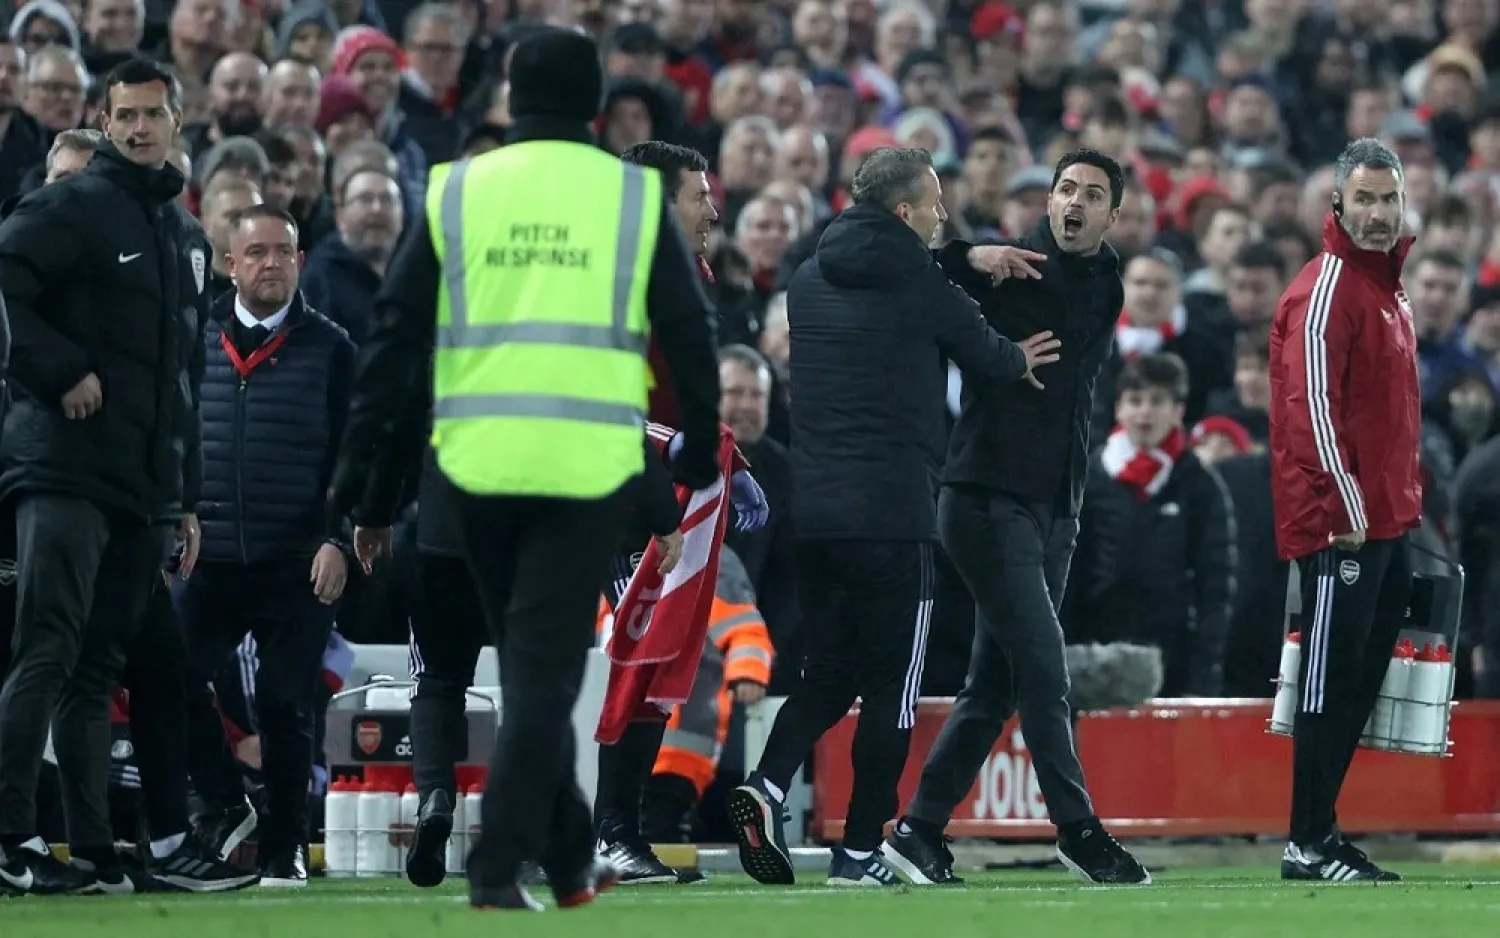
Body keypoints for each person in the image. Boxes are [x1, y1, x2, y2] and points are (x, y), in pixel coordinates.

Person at [331, 28, 723, 911]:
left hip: (471, 470)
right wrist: (695, 448)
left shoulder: (456, 189)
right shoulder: (629, 199)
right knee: (542, 675)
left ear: (510, 92)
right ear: (593, 101)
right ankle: (498, 864)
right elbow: (690, 332)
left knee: (527, 664)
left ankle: (572, 853)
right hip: (580, 470)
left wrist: (360, 480)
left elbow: (395, 342)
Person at [729, 146, 1060, 888]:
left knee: (826, 673)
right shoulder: (918, 281)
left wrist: (965, 258)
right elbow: (983, 350)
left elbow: (914, 278)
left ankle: (770, 781)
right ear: (906, 211)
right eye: (935, 205)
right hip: (896, 513)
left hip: (814, 515)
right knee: (892, 692)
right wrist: (1019, 358)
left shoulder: (808, 278)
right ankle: (856, 854)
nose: (944, 216)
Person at [883, 148, 1150, 887]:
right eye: (1066, 188)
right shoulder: (1010, 267)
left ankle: (918, 832)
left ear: (1111, 216)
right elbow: (920, 272)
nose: (1074, 203)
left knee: (994, 685)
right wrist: (972, 255)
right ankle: (1079, 830)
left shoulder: (1109, 286)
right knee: (1042, 665)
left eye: (1091, 195)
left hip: (1055, 507)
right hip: (985, 496)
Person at [0, 57, 208, 896]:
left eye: (151, 115)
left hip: (140, 484)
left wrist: (183, 493)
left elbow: (181, 376)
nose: (136, 129)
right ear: (106, 117)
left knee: (96, 665)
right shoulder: (74, 204)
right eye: (123, 115)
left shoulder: (181, 232)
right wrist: (56, 370)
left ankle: (89, 848)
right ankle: (11, 835)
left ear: (176, 121)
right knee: (45, 650)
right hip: (63, 466)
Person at [179, 204, 356, 888]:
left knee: (287, 702)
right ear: (230, 263)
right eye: (256, 252)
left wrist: (338, 539)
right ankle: (226, 806)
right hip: (211, 554)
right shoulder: (194, 339)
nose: (270, 263)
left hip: (298, 557)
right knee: (170, 676)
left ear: (301, 261)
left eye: (283, 251)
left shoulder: (332, 347)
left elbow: (352, 455)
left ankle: (285, 847)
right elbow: (175, 437)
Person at [1270, 137, 1421, 883]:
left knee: (1358, 682)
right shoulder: (1327, 287)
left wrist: (1405, 505)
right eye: (1364, 199)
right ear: (1336, 205)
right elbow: (1312, 411)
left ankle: (1322, 832)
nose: (1378, 214)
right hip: (1342, 523)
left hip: (1385, 517)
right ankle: (1306, 840)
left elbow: (1391, 417)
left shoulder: (1388, 291)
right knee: (1329, 681)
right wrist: (1345, 505)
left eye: (1389, 199)